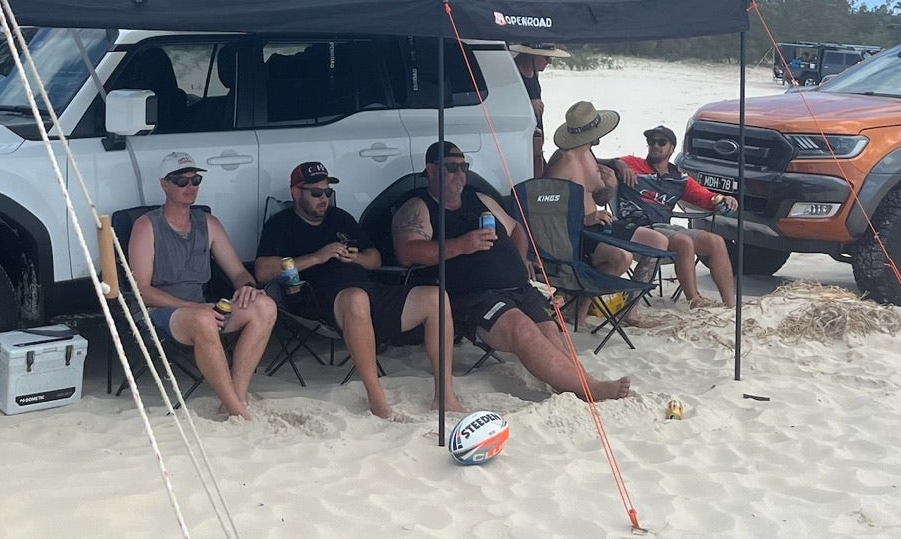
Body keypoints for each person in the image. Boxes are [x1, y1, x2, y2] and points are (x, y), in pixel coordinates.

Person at [391, 142, 631, 400]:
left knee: (551, 332)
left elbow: (516, 228)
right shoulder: (419, 207)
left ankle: (582, 381)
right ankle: (589, 389)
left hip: (518, 286)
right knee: (521, 329)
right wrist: (462, 245)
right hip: (475, 295)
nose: (460, 174)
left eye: (464, 167)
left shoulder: (479, 198)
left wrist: (518, 258)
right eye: (451, 168)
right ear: (431, 169)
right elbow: (407, 252)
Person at [255, 161, 461, 420]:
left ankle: (445, 395)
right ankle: (377, 399)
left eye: (327, 193)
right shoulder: (281, 224)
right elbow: (262, 270)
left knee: (436, 298)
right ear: (296, 193)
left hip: (367, 289)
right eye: (316, 193)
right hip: (316, 297)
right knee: (356, 299)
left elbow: (374, 258)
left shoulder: (341, 218)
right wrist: (317, 258)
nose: (324, 199)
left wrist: (356, 258)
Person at [125, 152, 276, 419]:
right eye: (181, 181)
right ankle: (237, 410)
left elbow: (239, 272)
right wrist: (193, 307)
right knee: (204, 319)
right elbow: (142, 290)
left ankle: (235, 398)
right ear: (164, 184)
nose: (190, 186)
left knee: (265, 306)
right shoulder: (147, 225)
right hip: (159, 312)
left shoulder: (208, 223)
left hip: (203, 309)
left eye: (195, 180)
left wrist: (247, 286)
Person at [606, 126, 739, 308]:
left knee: (715, 242)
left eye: (662, 142)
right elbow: (592, 162)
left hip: (666, 228)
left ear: (672, 148)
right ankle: (695, 300)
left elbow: (706, 198)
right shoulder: (632, 164)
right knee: (684, 242)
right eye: (651, 142)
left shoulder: (679, 179)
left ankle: (730, 305)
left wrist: (725, 200)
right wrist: (617, 164)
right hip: (637, 229)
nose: (655, 146)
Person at [543, 101, 674, 286]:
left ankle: (631, 307)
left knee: (658, 241)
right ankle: (581, 308)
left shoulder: (589, 155)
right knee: (622, 257)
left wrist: (610, 185)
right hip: (576, 232)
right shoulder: (562, 163)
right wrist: (584, 219)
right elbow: (545, 209)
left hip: (599, 224)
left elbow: (599, 198)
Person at [510, 45, 568, 176]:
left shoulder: (533, 74)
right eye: (546, 57)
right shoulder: (510, 74)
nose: (549, 61)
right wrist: (526, 105)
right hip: (519, 145)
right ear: (532, 55)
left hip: (534, 144)